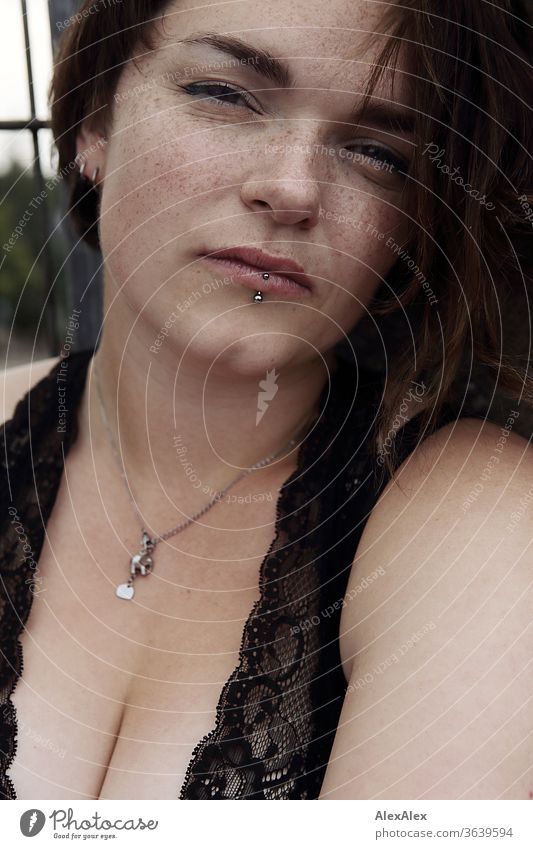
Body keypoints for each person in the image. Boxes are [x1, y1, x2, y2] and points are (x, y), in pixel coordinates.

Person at [1, 0, 532, 800]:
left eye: (374, 150)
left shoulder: (479, 521)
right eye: (226, 95)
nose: (290, 189)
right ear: (92, 123)